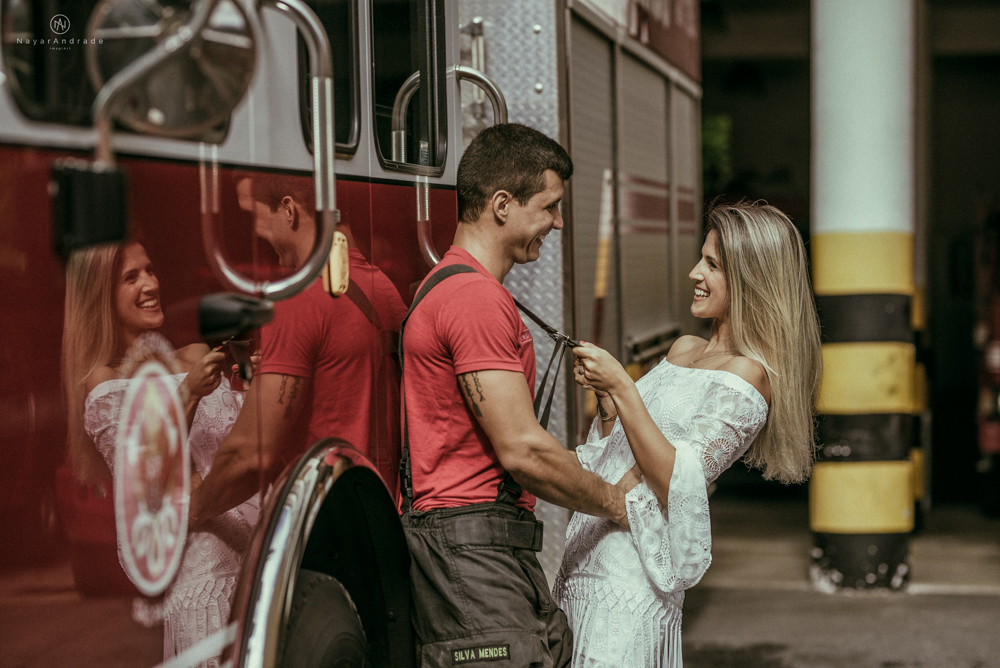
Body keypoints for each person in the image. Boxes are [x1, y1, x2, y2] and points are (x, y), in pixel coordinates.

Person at [400, 123, 638, 668]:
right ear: (502, 204)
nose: (556, 222)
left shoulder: (455, 287)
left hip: (484, 544)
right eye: (549, 207)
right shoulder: (474, 300)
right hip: (472, 551)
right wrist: (619, 504)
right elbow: (523, 450)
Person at [553, 201, 823, 667]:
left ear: (750, 279)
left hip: (630, 583)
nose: (695, 272)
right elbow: (619, 453)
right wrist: (609, 406)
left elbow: (677, 481)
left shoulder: (748, 376)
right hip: (584, 561)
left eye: (713, 265)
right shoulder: (684, 348)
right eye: (702, 258)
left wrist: (622, 384)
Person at [62, 240, 260, 668]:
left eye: (149, 270)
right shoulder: (105, 385)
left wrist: (259, 384)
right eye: (131, 278)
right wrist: (186, 396)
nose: (150, 284)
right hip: (206, 582)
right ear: (102, 297)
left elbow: (245, 449)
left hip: (261, 564)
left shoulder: (193, 355)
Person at [189, 174, 407, 525]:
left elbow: (251, 454)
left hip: (324, 523)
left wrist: (190, 511)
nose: (256, 234)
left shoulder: (299, 299)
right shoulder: (385, 290)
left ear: (289, 210)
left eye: (254, 217)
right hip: (381, 516)